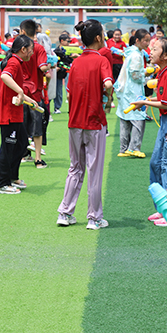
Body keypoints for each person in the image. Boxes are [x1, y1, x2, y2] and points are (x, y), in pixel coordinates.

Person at [56, 19, 113, 230]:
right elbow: (107, 83)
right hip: (94, 122)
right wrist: (107, 98)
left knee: (75, 167)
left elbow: (70, 94)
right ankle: (94, 217)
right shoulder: (101, 60)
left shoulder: (77, 62)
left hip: (75, 122)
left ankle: (65, 212)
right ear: (98, 38)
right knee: (94, 169)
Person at [130, 38, 167, 227]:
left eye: (155, 49)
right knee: (156, 163)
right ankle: (163, 208)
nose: (151, 51)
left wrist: (145, 103)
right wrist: (147, 99)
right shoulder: (164, 72)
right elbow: (165, 98)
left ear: (166, 55)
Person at [0, 35, 38, 194]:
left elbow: (15, 88)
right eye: (31, 50)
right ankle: (1, 184)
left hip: (14, 112)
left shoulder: (16, 61)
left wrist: (30, 100)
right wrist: (20, 91)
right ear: (23, 49)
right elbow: (5, 76)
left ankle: (12, 177)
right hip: (8, 113)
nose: (32, 53)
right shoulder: (13, 62)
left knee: (21, 144)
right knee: (8, 147)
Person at [19, 19, 50, 168]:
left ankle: (24, 154)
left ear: (23, 32)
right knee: (37, 125)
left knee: (21, 123)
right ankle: (38, 158)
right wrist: (49, 65)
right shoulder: (39, 48)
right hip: (35, 92)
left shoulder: (18, 48)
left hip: (20, 91)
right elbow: (43, 68)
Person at [114, 28, 150, 158]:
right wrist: (146, 73)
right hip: (132, 90)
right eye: (145, 40)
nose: (147, 43)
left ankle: (124, 149)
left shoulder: (131, 52)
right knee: (138, 118)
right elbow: (135, 74)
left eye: (148, 41)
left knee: (125, 120)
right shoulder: (136, 54)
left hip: (125, 90)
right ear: (138, 40)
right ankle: (134, 147)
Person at [53, 33, 73, 114]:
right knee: (58, 91)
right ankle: (57, 107)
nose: (69, 43)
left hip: (68, 71)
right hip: (59, 72)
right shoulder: (56, 51)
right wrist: (56, 68)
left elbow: (70, 61)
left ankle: (71, 107)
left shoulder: (69, 51)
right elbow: (54, 61)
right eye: (67, 41)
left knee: (70, 89)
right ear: (62, 41)